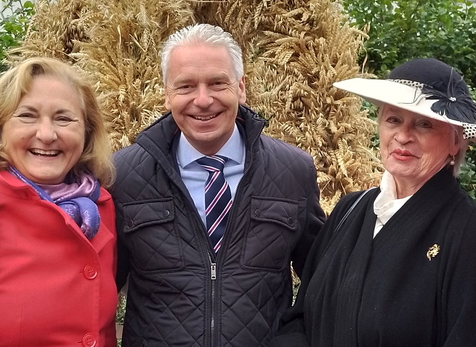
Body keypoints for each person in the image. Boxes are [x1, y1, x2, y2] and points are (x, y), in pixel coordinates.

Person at [270, 58, 476, 347]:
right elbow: (300, 317)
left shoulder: (474, 233)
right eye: (393, 120)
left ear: (455, 143)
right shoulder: (349, 211)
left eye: (424, 124)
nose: (402, 136)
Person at [111, 23, 325, 346]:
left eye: (217, 83)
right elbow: (97, 288)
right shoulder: (123, 176)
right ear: (166, 94)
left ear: (241, 87)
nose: (203, 99)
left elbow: (322, 282)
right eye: (185, 86)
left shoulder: (292, 171)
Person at [0, 57, 117, 346]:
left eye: (64, 119)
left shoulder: (101, 207)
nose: (47, 134)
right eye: (27, 116)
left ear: (87, 132)